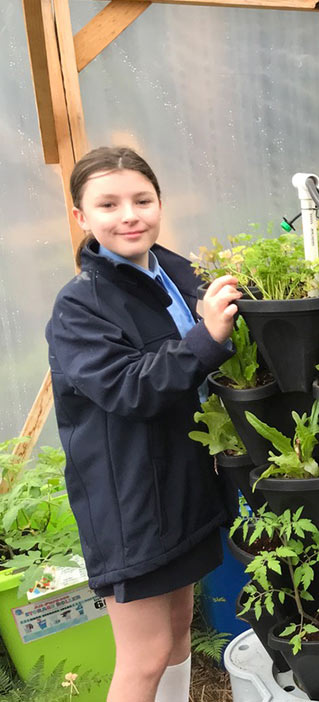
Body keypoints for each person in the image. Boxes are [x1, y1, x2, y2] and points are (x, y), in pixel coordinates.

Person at [46, 146, 241, 702]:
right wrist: (206, 340)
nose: (129, 214)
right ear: (81, 217)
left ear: (160, 204)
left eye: (141, 199)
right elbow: (131, 388)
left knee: (179, 630)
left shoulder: (176, 275)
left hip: (182, 485)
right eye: (108, 204)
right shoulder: (81, 306)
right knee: (143, 656)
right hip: (132, 503)